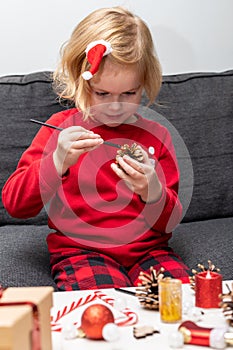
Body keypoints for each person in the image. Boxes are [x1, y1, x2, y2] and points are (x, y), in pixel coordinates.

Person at [2, 6, 192, 291]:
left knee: (185, 304)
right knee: (99, 311)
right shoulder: (61, 129)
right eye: (102, 93)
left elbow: (171, 220)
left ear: (145, 84)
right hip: (82, 253)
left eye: (129, 93)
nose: (115, 106)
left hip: (150, 251)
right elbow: (15, 205)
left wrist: (152, 190)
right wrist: (56, 162)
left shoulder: (156, 135)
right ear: (80, 81)